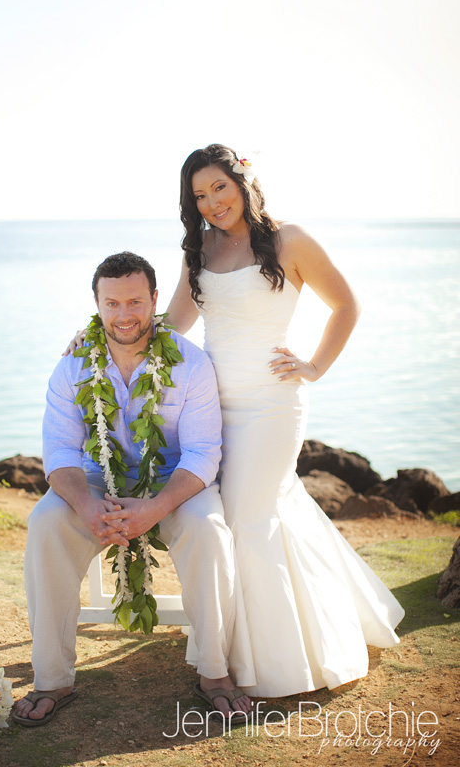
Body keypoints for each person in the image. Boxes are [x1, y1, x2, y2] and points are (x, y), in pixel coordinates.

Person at [164, 143, 404, 697]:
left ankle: (265, 665)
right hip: (209, 408)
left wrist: (314, 366)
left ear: (242, 180)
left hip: (272, 405)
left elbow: (347, 305)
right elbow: (173, 323)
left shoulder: (288, 240)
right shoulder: (197, 250)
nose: (212, 202)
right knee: (251, 516)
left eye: (219, 187)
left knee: (248, 521)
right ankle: (253, 641)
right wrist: (108, 331)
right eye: (199, 195)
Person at [14, 251, 253, 726]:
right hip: (96, 480)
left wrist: (155, 508)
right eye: (113, 303)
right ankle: (53, 678)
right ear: (97, 305)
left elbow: (203, 452)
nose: (125, 315)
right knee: (45, 522)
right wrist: (84, 505)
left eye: (135, 302)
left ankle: (214, 673)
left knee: (208, 530)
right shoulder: (72, 367)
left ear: (155, 300)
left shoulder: (190, 363)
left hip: (175, 482)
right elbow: (60, 453)